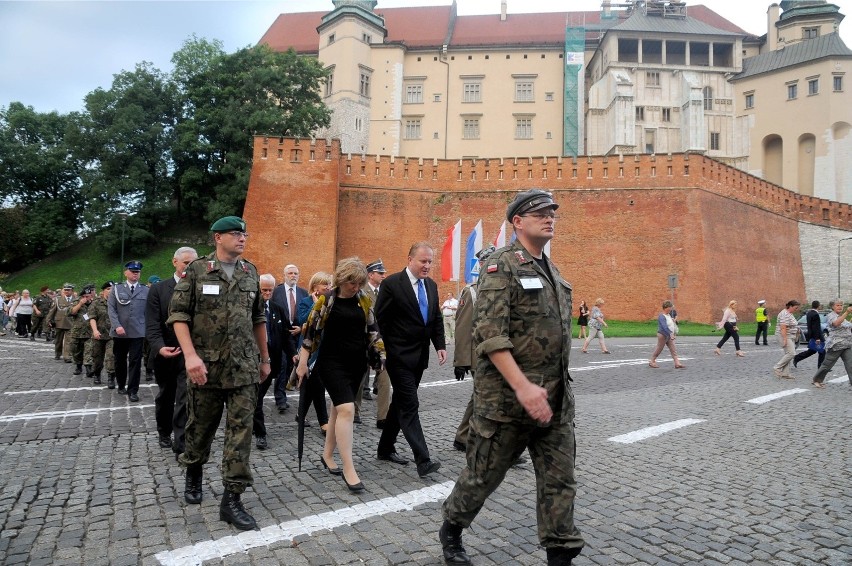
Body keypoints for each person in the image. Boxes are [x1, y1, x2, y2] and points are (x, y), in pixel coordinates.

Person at [440, 189, 584, 566]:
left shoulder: (552, 271)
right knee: (482, 477)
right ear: (517, 221)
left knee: (560, 481)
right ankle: (452, 526)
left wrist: (548, 392)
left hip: (553, 402)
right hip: (506, 402)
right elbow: (490, 335)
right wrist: (523, 387)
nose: (549, 217)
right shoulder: (500, 266)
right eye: (539, 212)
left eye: (552, 211)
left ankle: (561, 554)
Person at [167, 216, 271, 531]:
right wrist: (190, 358)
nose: (242, 238)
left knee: (241, 434)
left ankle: (232, 500)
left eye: (244, 233)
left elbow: (258, 319)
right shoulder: (197, 270)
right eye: (235, 233)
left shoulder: (249, 271)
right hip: (205, 369)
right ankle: (194, 473)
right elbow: (178, 315)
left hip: (243, 368)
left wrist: (264, 358)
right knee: (200, 429)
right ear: (217, 238)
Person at [297, 258, 385, 493]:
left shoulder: (363, 300)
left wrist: (379, 359)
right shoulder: (327, 300)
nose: (355, 287)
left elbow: (373, 331)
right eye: (352, 283)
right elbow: (311, 333)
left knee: (338, 410)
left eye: (359, 283)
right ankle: (349, 467)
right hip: (331, 363)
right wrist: (302, 364)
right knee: (347, 409)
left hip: (356, 364)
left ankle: (327, 455)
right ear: (342, 279)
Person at [375, 242, 446, 478]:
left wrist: (441, 346)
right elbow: (380, 321)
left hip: (420, 356)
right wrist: (381, 353)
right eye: (422, 261)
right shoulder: (392, 284)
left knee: (401, 403)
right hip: (397, 357)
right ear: (410, 260)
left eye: (429, 262)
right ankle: (423, 459)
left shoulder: (432, 286)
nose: (427, 266)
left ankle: (385, 448)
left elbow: (435, 318)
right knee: (410, 403)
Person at [146, 246, 198, 455]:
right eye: (186, 262)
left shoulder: (201, 287)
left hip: (190, 354)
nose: (189, 266)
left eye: (193, 263)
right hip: (166, 352)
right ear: (174, 262)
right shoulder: (158, 289)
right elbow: (152, 324)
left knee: (185, 397)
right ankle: (164, 431)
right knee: (166, 396)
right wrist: (159, 347)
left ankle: (181, 441)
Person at [452, 244, 497, 452]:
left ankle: (463, 436)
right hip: (479, 355)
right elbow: (462, 327)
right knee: (489, 395)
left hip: (499, 354)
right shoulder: (471, 291)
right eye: (488, 261)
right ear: (481, 264)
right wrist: (461, 361)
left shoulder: (500, 288)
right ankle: (494, 444)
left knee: (482, 395)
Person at [253, 273, 297, 450]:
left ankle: (251, 425)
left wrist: (293, 353)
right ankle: (260, 434)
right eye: (264, 290)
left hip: (274, 362)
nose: (267, 293)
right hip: (255, 362)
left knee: (257, 398)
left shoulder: (277, 309)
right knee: (256, 399)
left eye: (270, 290)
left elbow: (286, 335)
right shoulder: (251, 309)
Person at [294, 272, 331, 435]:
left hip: (325, 348)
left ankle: (300, 414)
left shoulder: (330, 302)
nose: (328, 287)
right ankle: (324, 422)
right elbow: (303, 321)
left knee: (312, 385)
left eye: (329, 284)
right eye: (325, 285)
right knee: (316, 383)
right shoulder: (305, 302)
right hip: (309, 349)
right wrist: (314, 304)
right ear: (315, 287)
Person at [108, 260, 149, 402]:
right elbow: (111, 309)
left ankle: (133, 390)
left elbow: (148, 311)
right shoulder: (117, 289)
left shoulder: (145, 290)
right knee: (120, 360)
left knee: (135, 361)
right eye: (132, 272)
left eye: (137, 272)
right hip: (120, 331)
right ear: (126, 272)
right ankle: (121, 385)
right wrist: (116, 325)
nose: (135, 274)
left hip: (138, 331)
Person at [271, 264, 307, 413]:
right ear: (284, 275)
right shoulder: (276, 292)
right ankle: (280, 399)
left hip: (297, 335)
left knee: (293, 366)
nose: (293, 276)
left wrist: (301, 328)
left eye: (296, 273)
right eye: (290, 273)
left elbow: (307, 313)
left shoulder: (303, 293)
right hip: (282, 334)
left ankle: (288, 388)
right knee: (282, 365)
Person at [360, 259, 391, 427]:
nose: (383, 276)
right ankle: (355, 410)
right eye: (380, 273)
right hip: (364, 339)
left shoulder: (384, 291)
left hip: (381, 340)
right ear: (370, 275)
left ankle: (382, 417)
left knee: (384, 373)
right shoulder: (362, 291)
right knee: (359, 375)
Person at [811, 300, 852, 389]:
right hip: (836, 345)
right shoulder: (831, 316)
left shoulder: (841, 316)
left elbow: (847, 326)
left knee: (850, 364)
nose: (840, 307)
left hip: (847, 344)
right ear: (832, 307)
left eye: (841, 305)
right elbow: (836, 323)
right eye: (837, 305)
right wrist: (847, 312)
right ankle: (817, 380)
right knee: (827, 364)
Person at [88, 282, 114, 386]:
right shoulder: (96, 303)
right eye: (108, 289)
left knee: (111, 356)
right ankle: (97, 374)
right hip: (98, 335)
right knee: (97, 358)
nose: (110, 290)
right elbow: (92, 318)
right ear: (103, 291)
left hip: (112, 335)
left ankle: (111, 377)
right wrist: (95, 330)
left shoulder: (117, 302)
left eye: (112, 288)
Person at [66, 284, 95, 376]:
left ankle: (88, 368)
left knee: (89, 350)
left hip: (90, 332)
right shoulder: (76, 302)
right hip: (77, 332)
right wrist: (80, 304)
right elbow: (71, 312)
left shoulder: (95, 303)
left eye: (88, 296)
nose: (86, 298)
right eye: (84, 296)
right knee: (76, 351)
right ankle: (78, 366)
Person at [649, 300, 685, 369]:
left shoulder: (668, 315)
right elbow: (664, 326)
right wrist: (670, 333)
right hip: (663, 335)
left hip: (669, 335)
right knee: (659, 349)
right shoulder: (662, 316)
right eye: (670, 307)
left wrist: (674, 325)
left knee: (673, 349)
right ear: (666, 307)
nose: (671, 309)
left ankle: (677, 363)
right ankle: (652, 361)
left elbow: (671, 324)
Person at [792, 300, 825, 370]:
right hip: (817, 336)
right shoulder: (815, 314)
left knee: (812, 351)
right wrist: (817, 338)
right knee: (822, 351)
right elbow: (816, 327)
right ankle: (821, 367)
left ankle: (797, 357)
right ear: (818, 306)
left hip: (812, 335)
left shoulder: (809, 313)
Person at [46, 283, 75, 362]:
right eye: (65, 290)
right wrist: (48, 320)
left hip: (71, 323)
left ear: (72, 291)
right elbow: (52, 311)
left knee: (69, 341)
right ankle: (58, 353)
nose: (66, 291)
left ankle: (67, 356)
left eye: (68, 290)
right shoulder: (58, 300)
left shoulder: (76, 299)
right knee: (58, 340)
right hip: (59, 323)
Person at [773, 300, 801, 379]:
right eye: (795, 308)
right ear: (790, 306)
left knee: (788, 353)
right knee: (791, 353)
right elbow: (783, 327)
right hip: (785, 336)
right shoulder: (784, 314)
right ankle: (777, 367)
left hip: (790, 336)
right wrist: (784, 339)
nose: (796, 309)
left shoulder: (790, 314)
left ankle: (785, 373)